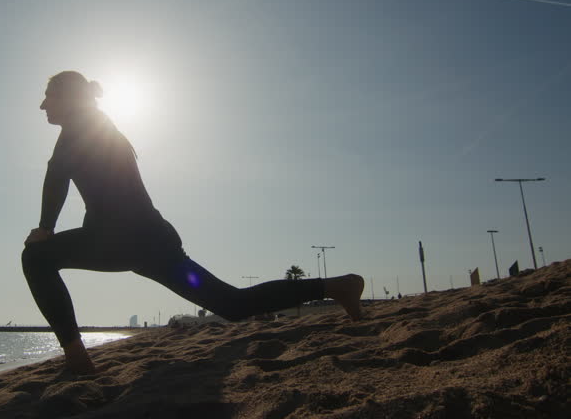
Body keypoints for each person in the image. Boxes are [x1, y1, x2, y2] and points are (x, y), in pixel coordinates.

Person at [22, 71, 364, 374]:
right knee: (232, 304)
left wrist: (45, 230)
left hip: (125, 240)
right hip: (149, 241)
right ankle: (337, 286)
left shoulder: (81, 128)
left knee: (36, 258)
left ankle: (76, 357)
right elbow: (70, 178)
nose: (42, 106)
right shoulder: (94, 125)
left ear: (68, 98)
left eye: (49, 96)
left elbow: (56, 178)